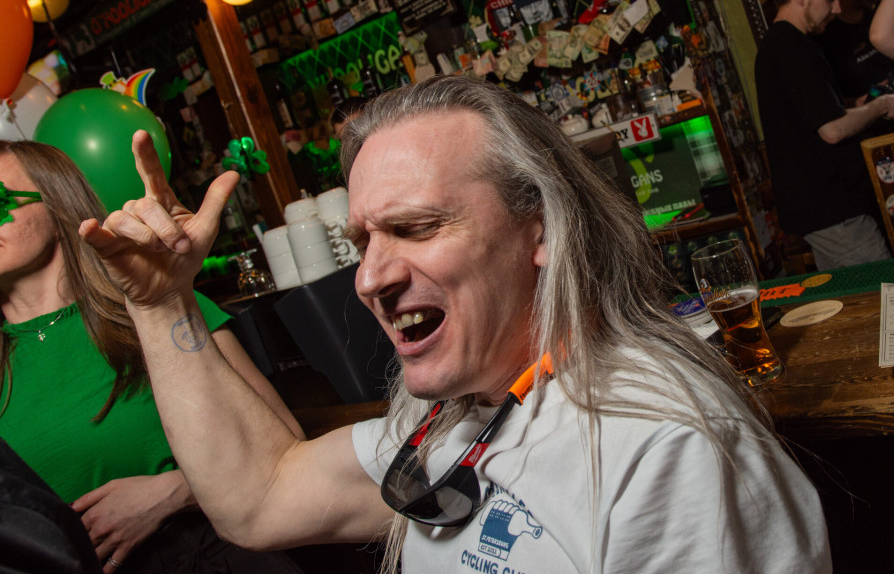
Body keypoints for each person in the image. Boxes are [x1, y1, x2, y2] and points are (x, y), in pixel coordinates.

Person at [78, 78, 832, 573]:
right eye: (363, 241)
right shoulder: (447, 423)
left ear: (541, 229)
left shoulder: (661, 448)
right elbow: (258, 497)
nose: (369, 278)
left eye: (416, 227)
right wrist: (161, 302)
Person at [0, 141, 305, 574]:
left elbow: (283, 442)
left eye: (0, 199)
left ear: (55, 202)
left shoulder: (156, 301)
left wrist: (172, 493)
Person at [755, 0, 894, 269]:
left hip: (825, 209)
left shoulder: (784, 44)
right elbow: (832, 130)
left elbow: (815, 115)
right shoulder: (791, 47)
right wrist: (881, 106)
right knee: (886, 291)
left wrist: (854, 106)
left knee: (861, 295)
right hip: (833, 210)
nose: (837, 8)